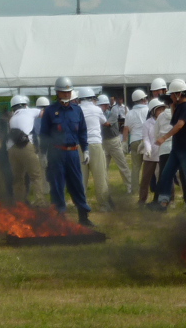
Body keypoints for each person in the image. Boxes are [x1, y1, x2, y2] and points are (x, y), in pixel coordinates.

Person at [39, 76, 93, 227]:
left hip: (73, 153)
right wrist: (43, 154)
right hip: (56, 153)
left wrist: (86, 149)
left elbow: (82, 131)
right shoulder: (50, 111)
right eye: (63, 92)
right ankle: (59, 218)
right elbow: (44, 134)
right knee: (57, 185)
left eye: (68, 92)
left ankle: (83, 216)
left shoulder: (77, 110)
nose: (66, 95)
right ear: (57, 92)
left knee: (77, 184)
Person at [149, 79, 186, 211]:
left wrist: (164, 137)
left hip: (185, 148)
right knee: (167, 174)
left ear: (179, 94)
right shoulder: (180, 107)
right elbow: (174, 122)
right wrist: (173, 105)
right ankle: (163, 202)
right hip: (177, 148)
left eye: (173, 94)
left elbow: (180, 125)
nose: (172, 97)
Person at [78, 87, 113, 211]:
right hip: (95, 144)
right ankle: (103, 205)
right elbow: (104, 121)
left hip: (80, 145)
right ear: (92, 98)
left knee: (82, 177)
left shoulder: (77, 110)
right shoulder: (97, 109)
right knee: (100, 176)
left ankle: (81, 205)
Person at [7, 95, 44, 205]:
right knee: (36, 176)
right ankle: (40, 202)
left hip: (11, 148)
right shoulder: (29, 112)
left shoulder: (12, 118)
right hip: (25, 146)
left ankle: (19, 204)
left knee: (18, 178)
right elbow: (44, 114)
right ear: (25, 105)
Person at [99, 95, 132, 194]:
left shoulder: (112, 113)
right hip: (104, 142)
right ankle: (104, 189)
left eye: (102, 105)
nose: (101, 107)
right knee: (103, 167)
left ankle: (130, 187)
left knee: (122, 165)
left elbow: (107, 124)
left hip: (114, 141)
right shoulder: (98, 114)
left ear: (106, 105)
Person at [138, 99, 166, 206]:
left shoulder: (166, 122)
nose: (162, 112)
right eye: (159, 110)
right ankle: (142, 199)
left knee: (164, 177)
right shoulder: (147, 123)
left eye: (163, 109)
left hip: (162, 153)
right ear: (153, 111)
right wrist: (148, 149)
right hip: (150, 155)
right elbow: (145, 138)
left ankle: (167, 199)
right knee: (145, 178)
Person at [123, 89, 149, 197]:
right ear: (143, 99)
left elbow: (126, 129)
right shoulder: (148, 110)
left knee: (135, 167)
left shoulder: (130, 113)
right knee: (149, 166)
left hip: (134, 140)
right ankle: (148, 188)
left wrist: (124, 143)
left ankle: (134, 190)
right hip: (147, 140)